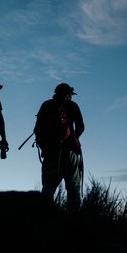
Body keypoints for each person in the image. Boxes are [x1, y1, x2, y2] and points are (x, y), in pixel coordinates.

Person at [34, 83, 84, 212]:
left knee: (48, 188)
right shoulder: (72, 105)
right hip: (69, 151)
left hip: (50, 152)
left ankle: (46, 216)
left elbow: (37, 129)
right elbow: (81, 127)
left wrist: (45, 147)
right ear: (68, 94)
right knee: (73, 186)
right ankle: (73, 217)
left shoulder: (46, 105)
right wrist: (74, 138)